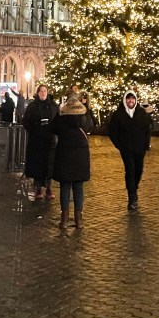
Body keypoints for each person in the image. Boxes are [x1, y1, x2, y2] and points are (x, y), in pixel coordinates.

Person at [107, 88, 152, 210]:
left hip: (140, 148)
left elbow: (147, 130)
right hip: (126, 149)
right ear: (125, 100)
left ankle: (134, 188)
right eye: (128, 99)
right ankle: (131, 197)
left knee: (138, 170)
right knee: (130, 170)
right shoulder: (118, 114)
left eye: (132, 99)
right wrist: (119, 145)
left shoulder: (141, 113)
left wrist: (146, 144)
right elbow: (112, 132)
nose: (130, 101)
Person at [52, 88, 91, 229]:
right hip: (80, 154)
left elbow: (53, 127)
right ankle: (79, 219)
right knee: (78, 187)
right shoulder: (84, 114)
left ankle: (64, 219)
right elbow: (90, 126)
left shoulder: (62, 114)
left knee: (65, 187)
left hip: (65, 154)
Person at [22, 83, 58, 201]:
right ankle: (38, 188)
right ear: (38, 93)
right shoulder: (32, 106)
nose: (43, 93)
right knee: (38, 164)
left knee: (49, 164)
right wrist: (35, 130)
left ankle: (48, 187)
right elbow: (26, 122)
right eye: (41, 91)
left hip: (49, 140)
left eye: (45, 91)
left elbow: (58, 120)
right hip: (36, 141)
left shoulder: (53, 106)